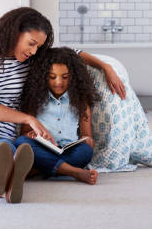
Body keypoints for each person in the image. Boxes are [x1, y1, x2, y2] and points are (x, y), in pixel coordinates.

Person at [0, 7, 125, 203]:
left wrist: (105, 66)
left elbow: (69, 54)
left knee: (6, 157)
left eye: (38, 47)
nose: (33, 51)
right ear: (14, 32)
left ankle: (5, 180)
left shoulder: (28, 61)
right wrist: (29, 119)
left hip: (2, 140)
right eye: (31, 43)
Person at [15, 47, 101, 184]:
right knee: (21, 143)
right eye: (52, 77)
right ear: (44, 76)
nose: (59, 82)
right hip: (42, 148)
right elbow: (25, 134)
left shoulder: (81, 100)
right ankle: (74, 172)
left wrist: (88, 140)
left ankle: (37, 169)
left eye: (65, 77)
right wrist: (31, 134)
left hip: (68, 150)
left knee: (86, 152)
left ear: (74, 77)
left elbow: (87, 136)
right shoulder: (34, 98)